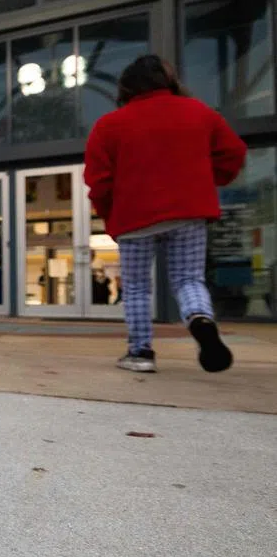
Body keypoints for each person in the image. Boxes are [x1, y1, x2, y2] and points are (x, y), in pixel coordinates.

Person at [84, 54, 246, 374]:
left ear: (126, 88)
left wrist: (108, 215)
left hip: (134, 219)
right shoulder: (199, 112)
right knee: (189, 280)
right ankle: (201, 321)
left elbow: (99, 181)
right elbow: (233, 153)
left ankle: (141, 351)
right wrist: (206, 180)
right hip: (188, 212)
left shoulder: (109, 125)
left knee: (136, 288)